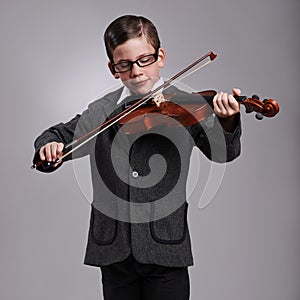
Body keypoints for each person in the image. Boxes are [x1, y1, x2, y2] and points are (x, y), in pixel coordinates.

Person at [32, 15, 241, 300]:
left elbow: (224, 153)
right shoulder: (102, 110)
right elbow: (56, 134)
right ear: (112, 69)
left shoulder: (186, 106)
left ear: (161, 56)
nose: (137, 72)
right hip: (114, 251)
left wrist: (227, 122)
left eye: (145, 60)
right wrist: (50, 147)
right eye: (124, 64)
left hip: (166, 247)